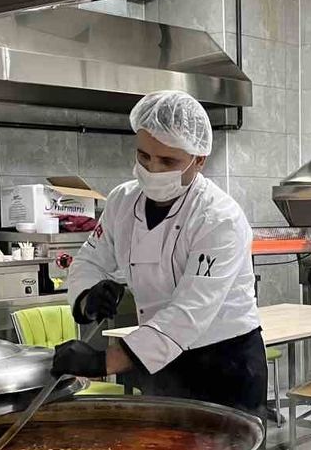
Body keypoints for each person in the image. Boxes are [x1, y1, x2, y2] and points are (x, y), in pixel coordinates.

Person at [52, 90, 266, 416]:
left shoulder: (219, 218)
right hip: (156, 358)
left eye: (168, 161)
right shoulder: (122, 201)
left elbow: (189, 312)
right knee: (162, 444)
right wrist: (87, 297)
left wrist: (102, 361)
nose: (152, 169)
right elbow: (91, 259)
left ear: (199, 160)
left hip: (224, 363)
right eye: (144, 156)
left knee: (226, 447)